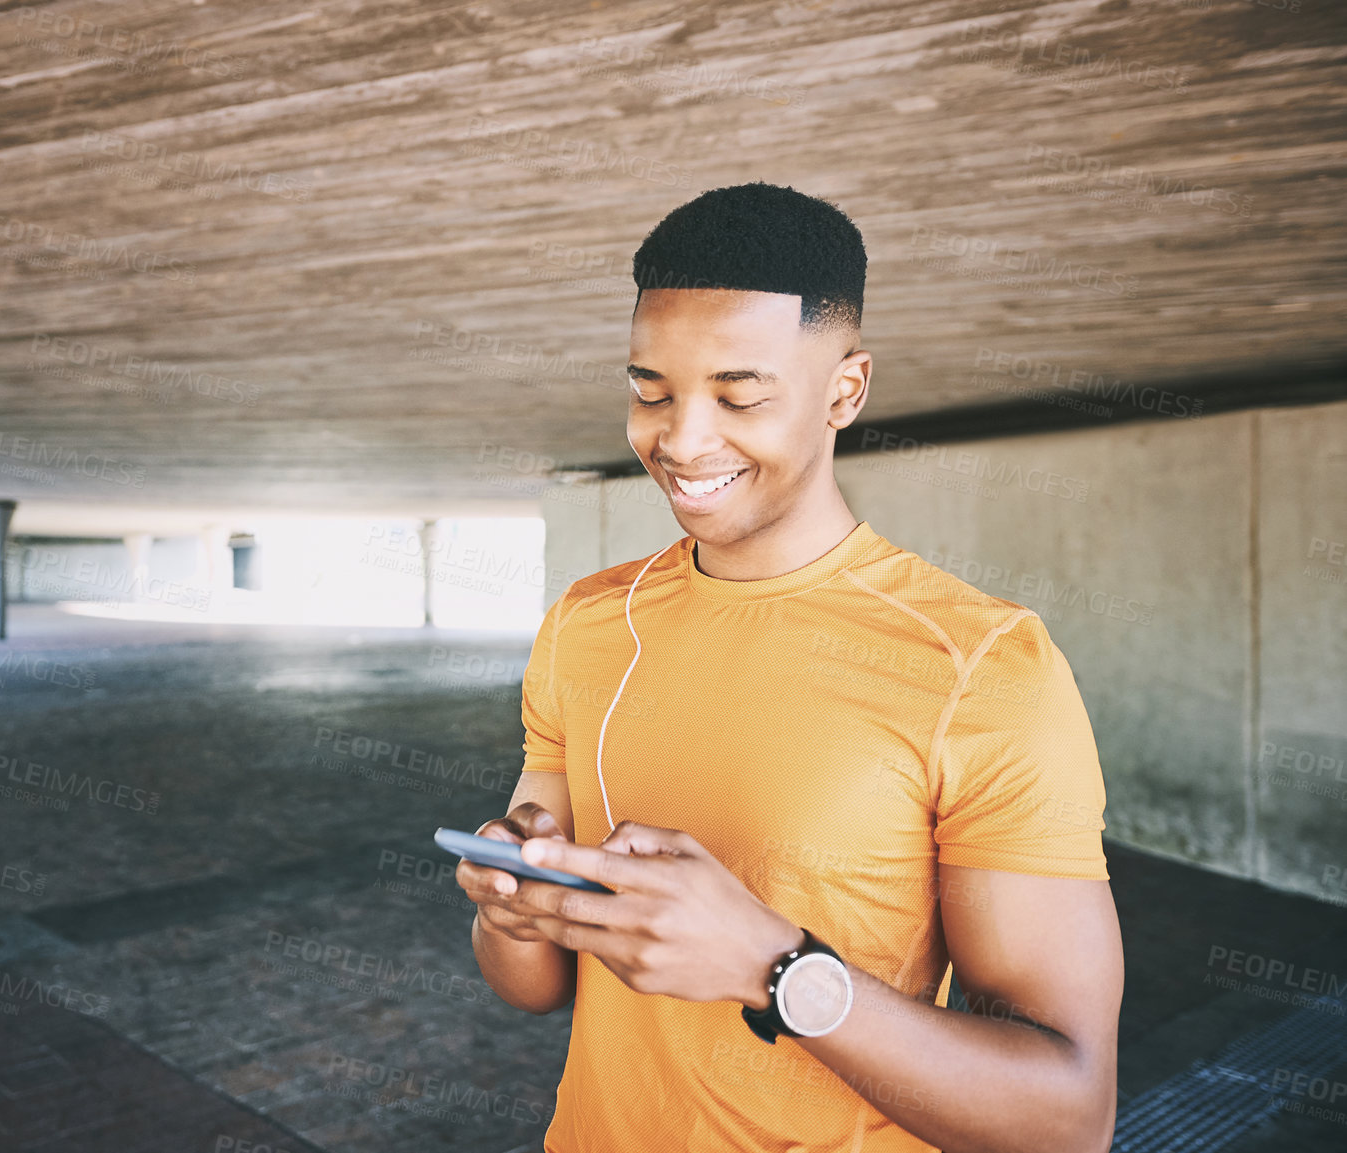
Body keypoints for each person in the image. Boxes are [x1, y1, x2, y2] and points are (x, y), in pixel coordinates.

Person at [458, 183, 1122, 1153]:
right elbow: (533, 988)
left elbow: (1065, 1118)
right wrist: (512, 909)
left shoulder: (982, 665)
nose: (680, 440)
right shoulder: (590, 622)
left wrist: (773, 968)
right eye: (650, 390)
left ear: (844, 392)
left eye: (739, 395)